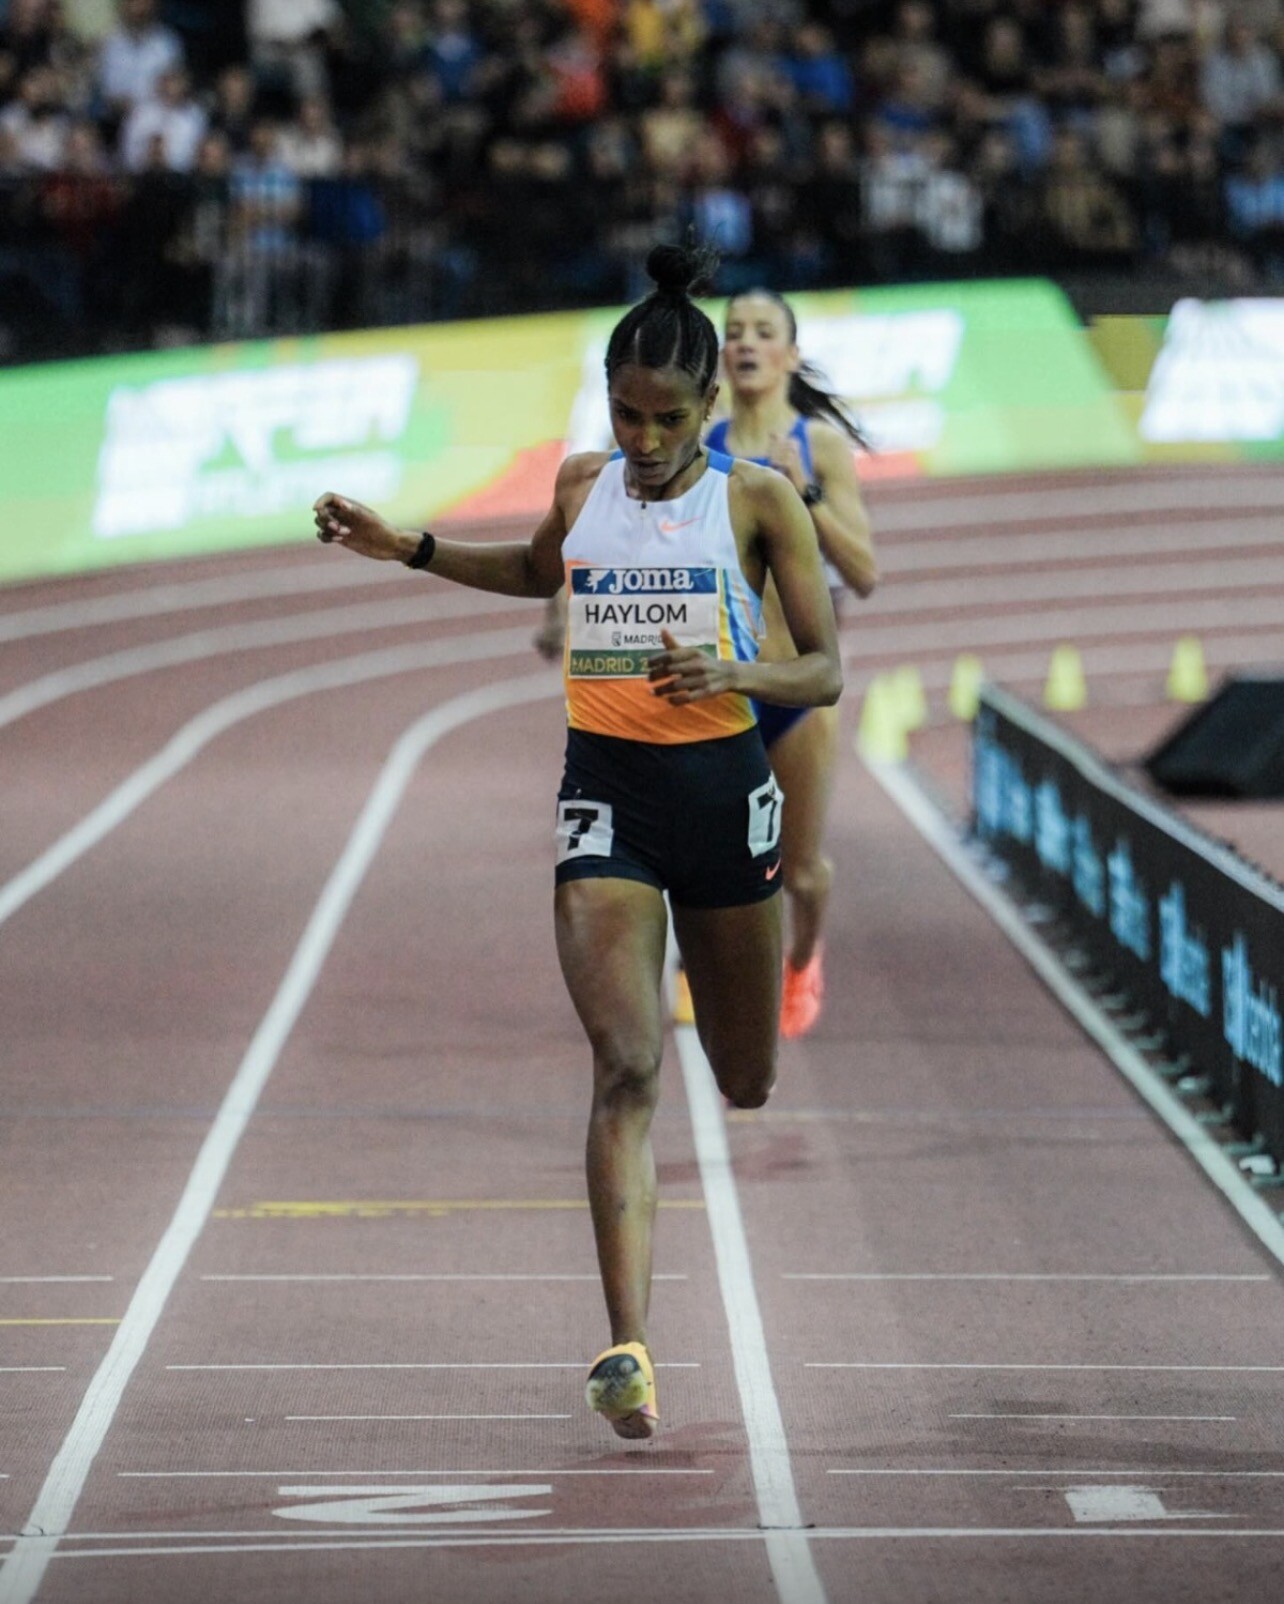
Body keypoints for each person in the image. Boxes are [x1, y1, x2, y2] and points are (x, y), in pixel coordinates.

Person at [313, 243, 842, 1442]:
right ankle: (627, 1349)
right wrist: (409, 548)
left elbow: (825, 668)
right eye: (626, 413)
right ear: (605, 400)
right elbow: (535, 568)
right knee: (627, 1065)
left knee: (745, 1078)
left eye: (668, 418)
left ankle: (738, 1045)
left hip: (725, 797)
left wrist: (736, 670)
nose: (644, 439)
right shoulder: (581, 481)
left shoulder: (759, 498)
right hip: (607, 795)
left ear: (708, 405)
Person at [705, 287, 877, 1038]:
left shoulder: (818, 447)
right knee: (716, 864)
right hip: (721, 688)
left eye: (762, 331)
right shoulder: (701, 449)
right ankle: (714, 973)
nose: (746, 341)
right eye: (735, 330)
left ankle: (802, 963)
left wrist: (800, 492)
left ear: (790, 354)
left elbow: (864, 572)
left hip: (798, 689)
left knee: (799, 874)